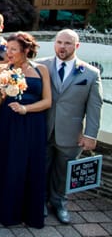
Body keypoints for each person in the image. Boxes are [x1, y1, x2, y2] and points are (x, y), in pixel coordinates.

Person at [0, 32, 52, 228]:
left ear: (26, 50)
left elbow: (47, 101)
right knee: (9, 163)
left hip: (33, 124)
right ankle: (4, 209)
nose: (8, 53)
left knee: (30, 165)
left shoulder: (42, 70)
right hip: (8, 123)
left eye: (13, 49)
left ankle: (29, 211)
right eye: (7, 49)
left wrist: (25, 109)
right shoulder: (0, 70)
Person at [38, 29, 103, 224]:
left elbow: (95, 106)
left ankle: (59, 203)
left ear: (77, 46)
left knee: (64, 171)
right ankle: (39, 201)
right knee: (41, 167)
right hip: (43, 128)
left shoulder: (90, 73)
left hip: (71, 134)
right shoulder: (41, 65)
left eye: (67, 43)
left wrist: (91, 135)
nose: (62, 47)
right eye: (59, 42)